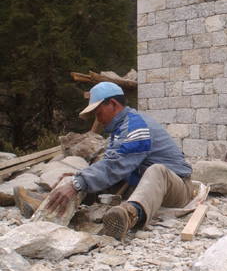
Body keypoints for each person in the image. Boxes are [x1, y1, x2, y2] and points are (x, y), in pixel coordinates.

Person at [45, 82, 194, 241]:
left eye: (98, 112)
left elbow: (115, 166)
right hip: (146, 186)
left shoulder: (137, 127)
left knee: (157, 170)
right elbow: (109, 163)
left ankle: (129, 215)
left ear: (113, 104)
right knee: (90, 179)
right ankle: (53, 204)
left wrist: (77, 183)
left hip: (176, 188)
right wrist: (77, 178)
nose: (98, 119)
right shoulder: (119, 130)